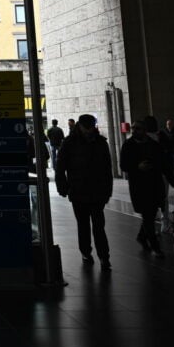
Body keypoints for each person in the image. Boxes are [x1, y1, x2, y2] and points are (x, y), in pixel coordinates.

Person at [55, 113, 113, 270]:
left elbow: (107, 169)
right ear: (80, 127)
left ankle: (101, 255)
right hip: (80, 190)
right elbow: (60, 167)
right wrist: (63, 187)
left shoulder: (94, 143)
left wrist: (108, 190)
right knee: (85, 224)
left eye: (90, 127)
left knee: (96, 224)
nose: (88, 130)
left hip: (93, 191)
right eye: (86, 127)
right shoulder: (74, 143)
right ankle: (88, 252)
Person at [120, 117, 174, 258]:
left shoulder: (153, 145)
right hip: (139, 186)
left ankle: (142, 237)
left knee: (149, 215)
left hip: (155, 185)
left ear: (144, 131)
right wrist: (137, 167)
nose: (134, 131)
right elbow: (123, 165)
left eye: (137, 128)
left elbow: (164, 166)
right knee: (148, 216)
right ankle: (155, 247)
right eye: (132, 128)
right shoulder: (128, 145)